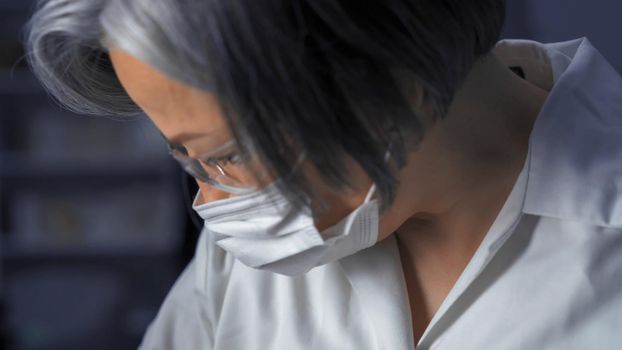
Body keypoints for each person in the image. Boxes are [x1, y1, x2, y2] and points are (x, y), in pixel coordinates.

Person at [23, 0, 622, 349]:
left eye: (225, 154)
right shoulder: (253, 252)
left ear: (388, 87)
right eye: (188, 159)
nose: (211, 199)